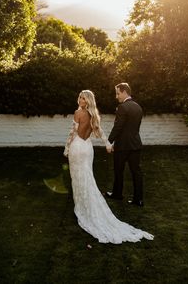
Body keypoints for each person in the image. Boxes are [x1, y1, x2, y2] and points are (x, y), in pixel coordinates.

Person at [64, 89, 153, 244]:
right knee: (87, 176)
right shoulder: (94, 115)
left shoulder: (78, 113)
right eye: (79, 97)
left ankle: (81, 206)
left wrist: (66, 148)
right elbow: (100, 132)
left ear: (87, 101)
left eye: (83, 98)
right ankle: (85, 204)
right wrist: (107, 143)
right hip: (87, 148)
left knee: (78, 176)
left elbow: (72, 133)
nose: (80, 100)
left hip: (78, 147)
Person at [106, 83, 144, 206]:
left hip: (122, 146)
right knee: (136, 172)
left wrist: (109, 141)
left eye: (117, 93)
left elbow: (118, 127)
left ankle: (117, 194)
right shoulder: (138, 107)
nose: (116, 96)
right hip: (135, 145)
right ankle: (138, 199)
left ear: (124, 92)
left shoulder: (122, 107)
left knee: (118, 171)